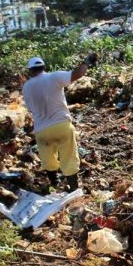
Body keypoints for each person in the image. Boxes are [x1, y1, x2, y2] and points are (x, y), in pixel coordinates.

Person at [22, 54, 96, 192]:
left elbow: (31, 109)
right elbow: (78, 74)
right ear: (44, 67)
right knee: (69, 157)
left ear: (30, 71)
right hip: (61, 125)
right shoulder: (54, 77)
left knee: (48, 159)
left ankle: (54, 184)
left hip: (42, 131)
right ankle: (73, 188)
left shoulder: (26, 87)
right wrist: (86, 62)